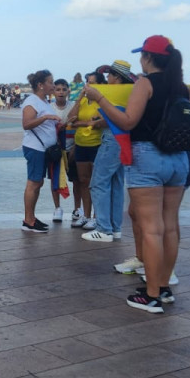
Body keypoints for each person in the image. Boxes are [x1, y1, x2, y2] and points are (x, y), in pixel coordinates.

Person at [85, 35, 189, 314]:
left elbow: (128, 121)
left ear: (147, 58)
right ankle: (164, 287)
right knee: (170, 225)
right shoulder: (181, 87)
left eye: (142, 55)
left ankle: (152, 295)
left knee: (151, 229)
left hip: (148, 158)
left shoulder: (145, 83)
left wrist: (100, 99)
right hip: (179, 159)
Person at [83, 60, 135, 242]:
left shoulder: (113, 94)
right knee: (116, 183)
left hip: (112, 139)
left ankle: (104, 228)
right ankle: (115, 227)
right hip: (124, 140)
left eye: (109, 75)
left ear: (117, 77)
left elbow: (115, 118)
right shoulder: (131, 93)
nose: (107, 79)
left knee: (98, 182)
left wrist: (98, 118)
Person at [20, 70, 60, 232]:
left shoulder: (44, 101)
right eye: (51, 82)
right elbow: (26, 124)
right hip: (35, 147)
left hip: (42, 149)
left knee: (37, 182)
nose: (54, 85)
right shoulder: (32, 101)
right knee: (34, 182)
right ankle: (28, 220)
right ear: (40, 85)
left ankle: (31, 217)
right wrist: (45, 118)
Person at [71, 70, 105, 229]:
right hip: (81, 144)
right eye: (87, 82)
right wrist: (79, 98)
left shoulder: (102, 102)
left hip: (96, 144)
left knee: (96, 182)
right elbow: (70, 119)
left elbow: (98, 122)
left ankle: (97, 216)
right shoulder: (83, 101)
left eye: (92, 82)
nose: (88, 85)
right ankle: (86, 214)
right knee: (83, 180)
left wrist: (81, 123)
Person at [48, 79, 78, 222]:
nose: (61, 92)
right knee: (55, 180)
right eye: (58, 89)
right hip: (56, 150)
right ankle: (57, 208)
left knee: (77, 180)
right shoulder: (49, 108)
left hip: (72, 148)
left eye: (64, 89)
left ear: (68, 91)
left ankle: (77, 209)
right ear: (53, 91)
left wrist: (76, 147)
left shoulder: (73, 106)